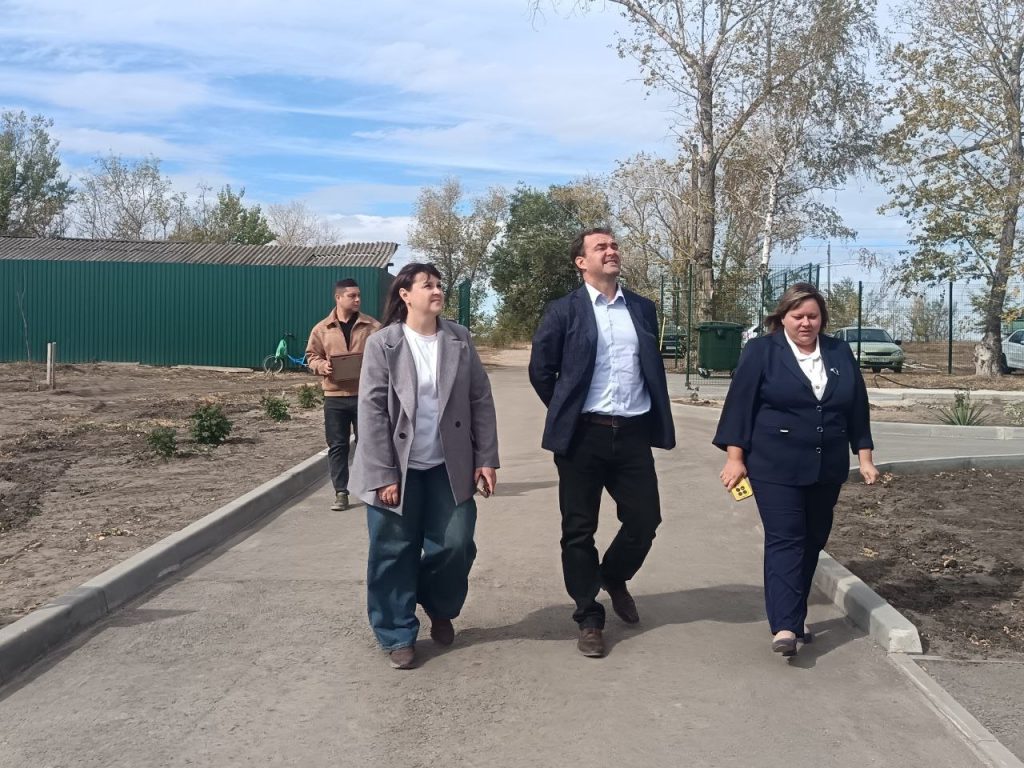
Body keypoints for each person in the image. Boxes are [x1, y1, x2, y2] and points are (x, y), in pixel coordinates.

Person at [528, 227, 675, 658]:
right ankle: (589, 616)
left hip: (632, 433)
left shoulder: (642, 309)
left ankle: (612, 575)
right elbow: (541, 370)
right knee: (578, 530)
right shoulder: (563, 311)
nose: (611, 251)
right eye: (601, 247)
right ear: (581, 262)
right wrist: (567, 410)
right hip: (583, 436)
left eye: (614, 245)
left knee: (645, 519)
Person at [713, 282, 880, 657]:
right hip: (774, 464)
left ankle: (794, 612)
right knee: (786, 538)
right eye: (798, 316)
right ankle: (785, 626)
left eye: (813, 316)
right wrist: (735, 458)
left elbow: (857, 406)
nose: (806, 323)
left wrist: (864, 456)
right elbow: (740, 405)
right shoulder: (762, 351)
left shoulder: (838, 352)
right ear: (783, 317)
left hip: (826, 465)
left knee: (812, 539)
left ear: (822, 319)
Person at [350, 263, 499, 670]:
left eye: (438, 284)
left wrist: (486, 458)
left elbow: (480, 399)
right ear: (405, 295)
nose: (436, 291)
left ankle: (437, 604)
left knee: (456, 543)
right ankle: (397, 632)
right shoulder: (383, 344)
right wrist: (384, 474)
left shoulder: (459, 338)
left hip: (448, 464)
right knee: (392, 550)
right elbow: (371, 411)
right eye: (427, 285)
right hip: (397, 467)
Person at [305, 278, 381, 512]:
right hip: (334, 396)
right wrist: (322, 366)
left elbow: (386, 354)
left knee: (367, 443)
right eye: (352, 296)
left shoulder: (372, 327)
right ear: (338, 298)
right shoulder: (322, 329)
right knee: (337, 445)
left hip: (364, 396)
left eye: (359, 295)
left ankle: (370, 488)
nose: (357, 299)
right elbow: (311, 356)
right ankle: (341, 492)